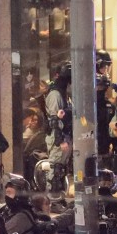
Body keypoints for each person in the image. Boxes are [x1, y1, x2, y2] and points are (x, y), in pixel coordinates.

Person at [43, 62, 73, 199]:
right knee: (55, 168)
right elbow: (54, 120)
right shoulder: (55, 94)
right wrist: (60, 140)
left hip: (63, 134)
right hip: (57, 136)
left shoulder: (63, 92)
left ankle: (58, 199)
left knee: (60, 169)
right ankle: (53, 200)